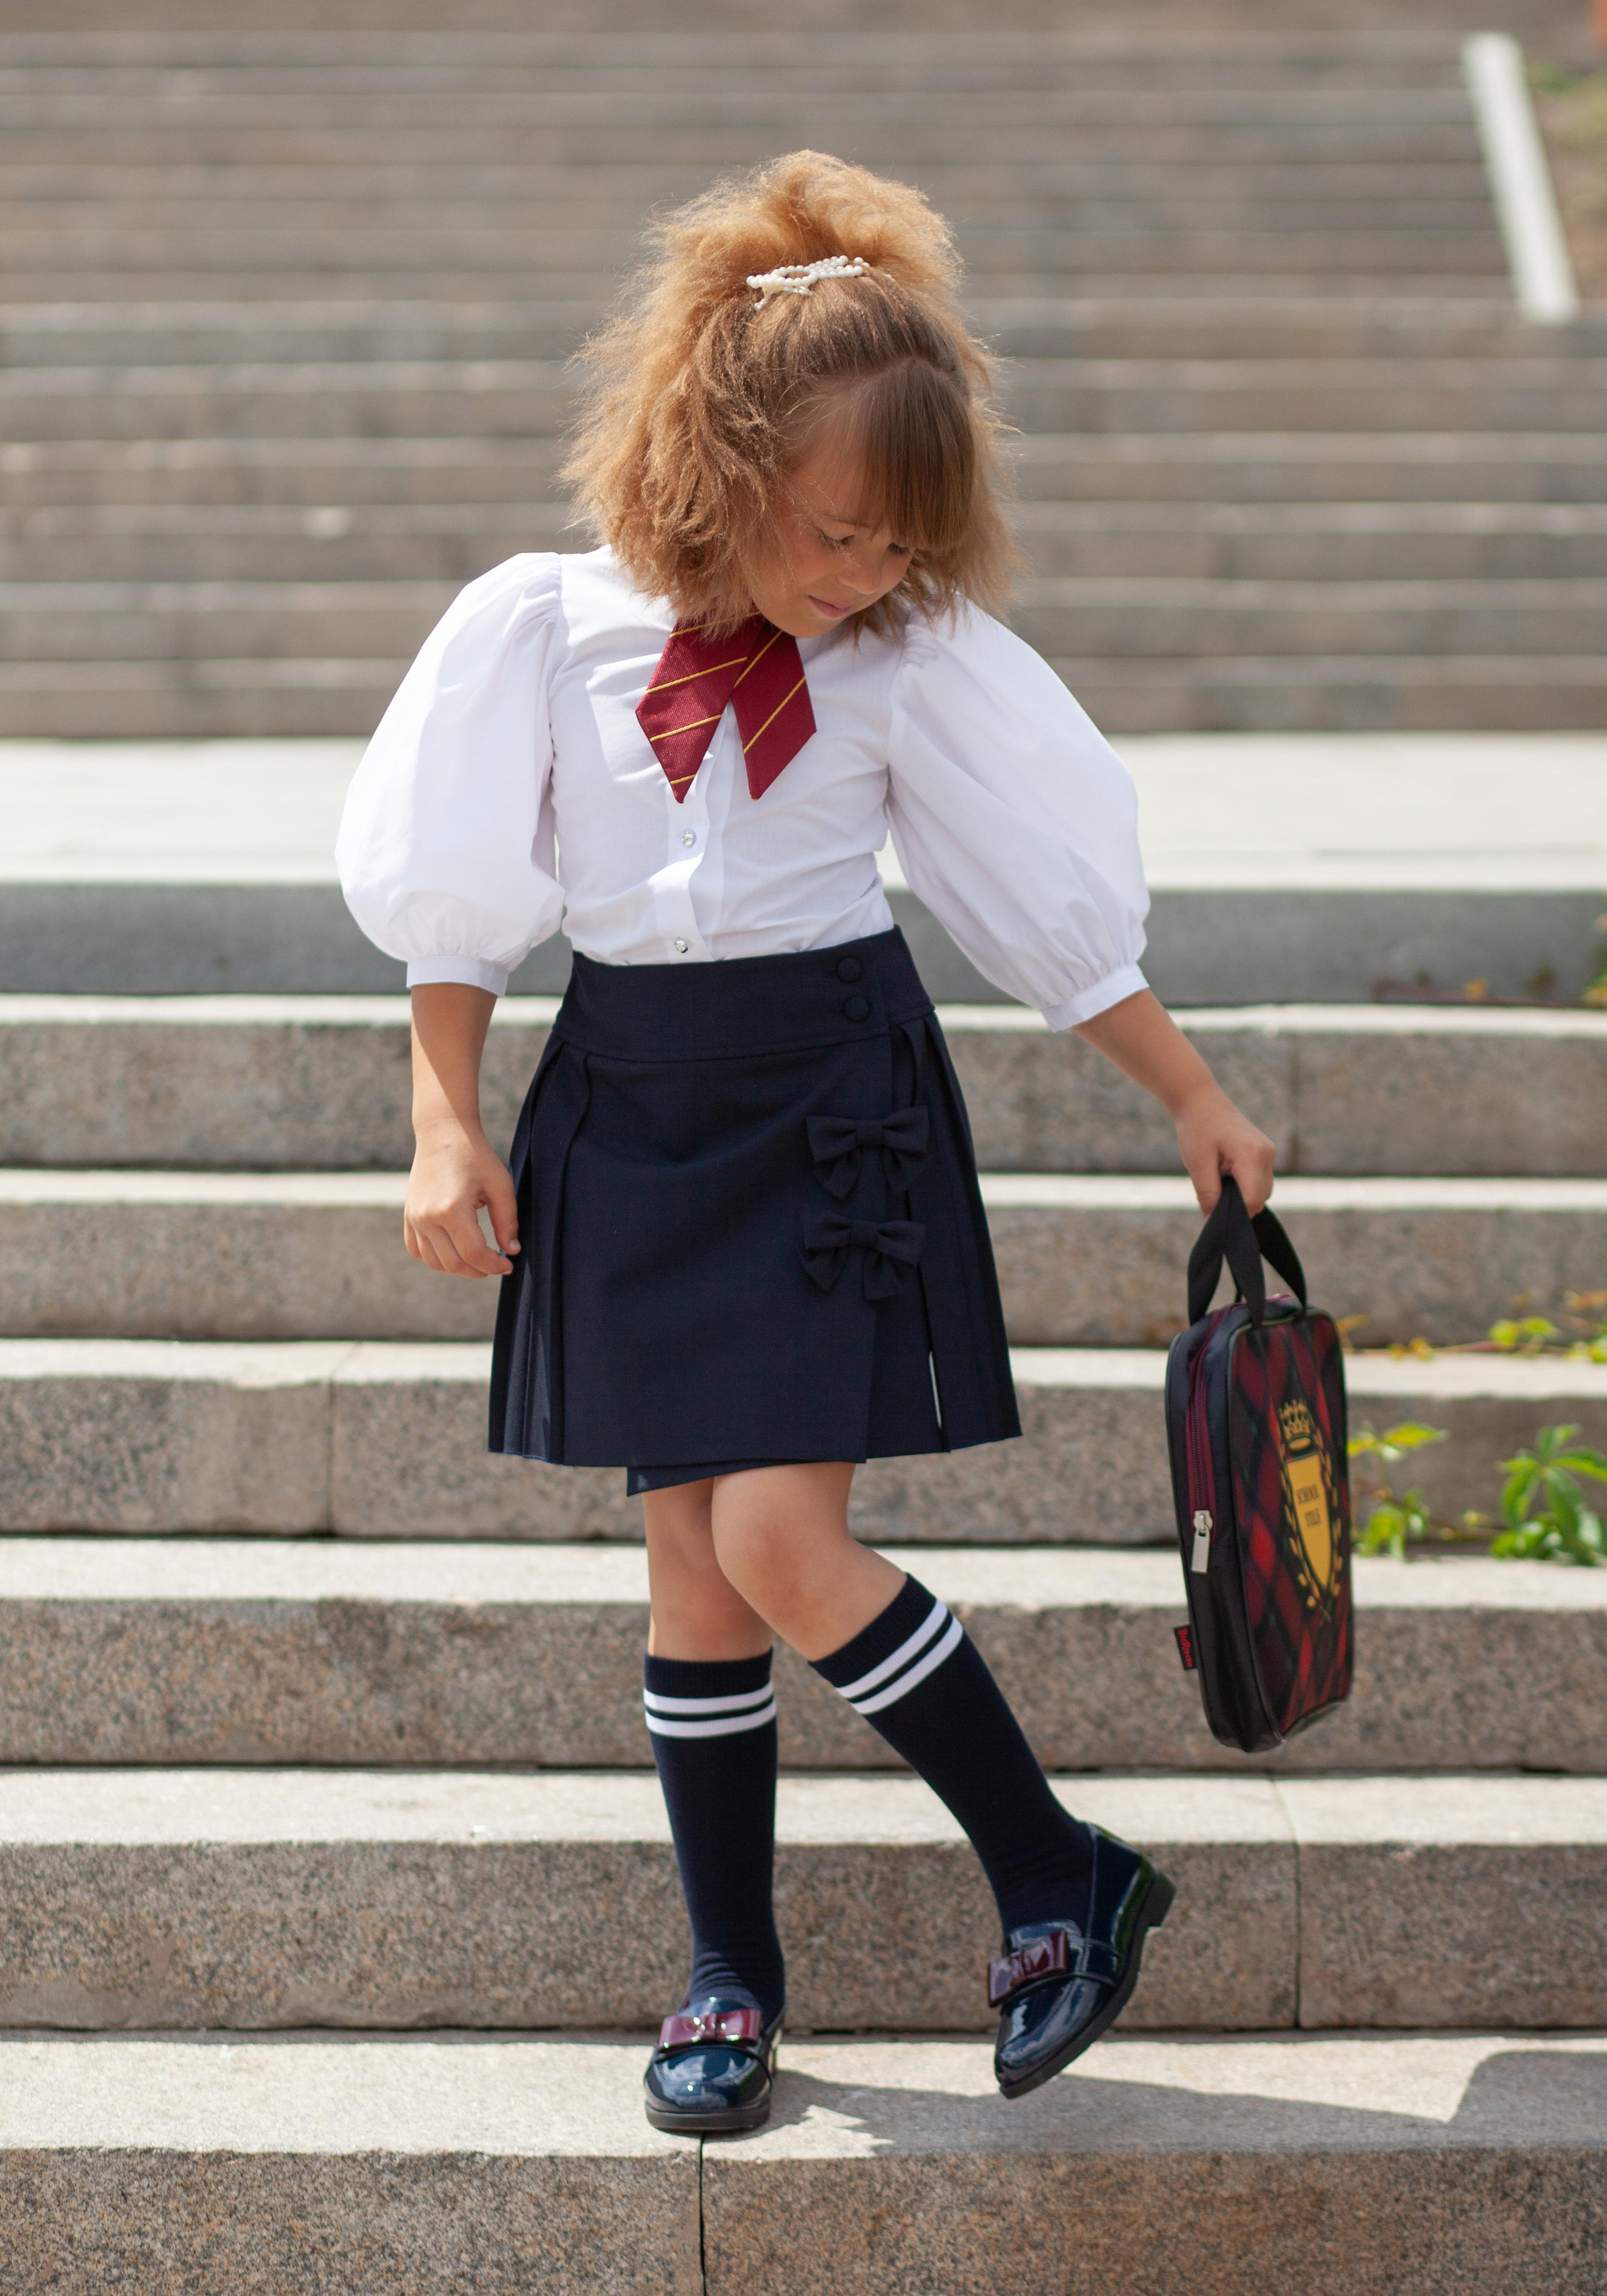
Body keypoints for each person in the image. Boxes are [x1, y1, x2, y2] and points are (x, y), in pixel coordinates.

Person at [336, 151, 1275, 2137]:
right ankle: (730, 1979)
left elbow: (1031, 903)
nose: (862, 576)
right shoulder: (539, 625)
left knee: (773, 1534)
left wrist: (1187, 1091)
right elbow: (462, 902)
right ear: (724, 450)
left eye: (899, 548)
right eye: (839, 533)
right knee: (689, 1564)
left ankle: (1054, 1873)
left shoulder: (908, 657)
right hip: (629, 1099)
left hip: (827, 1094)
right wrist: (445, 1125)